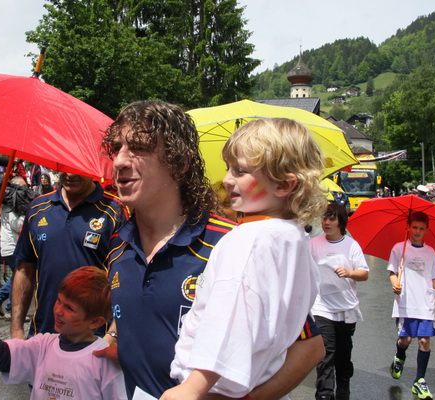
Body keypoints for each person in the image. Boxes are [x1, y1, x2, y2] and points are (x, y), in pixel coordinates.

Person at [100, 100, 325, 399]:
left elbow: (309, 347)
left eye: (138, 148)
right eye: (116, 148)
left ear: (180, 163)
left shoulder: (235, 243)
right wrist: (113, 339)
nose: (119, 161)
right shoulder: (119, 243)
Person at [161, 117, 327, 400]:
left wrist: (192, 388)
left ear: (284, 185)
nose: (227, 179)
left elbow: (229, 317)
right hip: (256, 383)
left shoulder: (250, 238)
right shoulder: (292, 238)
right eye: (229, 168)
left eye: (240, 171)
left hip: (213, 389)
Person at [0, 266, 127, 399]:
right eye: (59, 301)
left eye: (69, 308)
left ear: (95, 322)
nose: (58, 311)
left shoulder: (104, 359)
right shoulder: (43, 345)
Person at [10, 172, 127, 339]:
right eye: (65, 168)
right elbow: (24, 269)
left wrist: (112, 334)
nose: (70, 174)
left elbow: (126, 277)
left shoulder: (115, 210)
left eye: (77, 168)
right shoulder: (37, 208)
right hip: (43, 335)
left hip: (94, 338)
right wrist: (16, 329)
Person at [387, 211, 435, 400]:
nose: (417, 231)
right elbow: (392, 272)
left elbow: (433, 279)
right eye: (414, 227)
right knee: (405, 340)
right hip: (406, 303)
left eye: (421, 229)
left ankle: (419, 380)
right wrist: (395, 285)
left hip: (426, 303)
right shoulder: (399, 249)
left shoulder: (430, 252)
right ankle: (400, 355)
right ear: (408, 227)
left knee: (424, 341)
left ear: (426, 230)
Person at [308, 203, 369, 400]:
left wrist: (350, 273)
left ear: (341, 222)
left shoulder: (351, 245)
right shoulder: (313, 244)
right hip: (322, 307)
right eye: (324, 218)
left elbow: (364, 273)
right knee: (325, 354)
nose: (326, 222)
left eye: (331, 219)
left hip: (346, 308)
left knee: (343, 355)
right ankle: (324, 395)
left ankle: (343, 384)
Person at [0, 175, 28, 319]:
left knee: (18, 276)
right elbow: (17, 225)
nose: (25, 190)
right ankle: (9, 308)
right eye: (22, 187)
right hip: (12, 247)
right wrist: (28, 217)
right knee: (20, 277)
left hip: (12, 246)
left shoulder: (14, 203)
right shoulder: (11, 205)